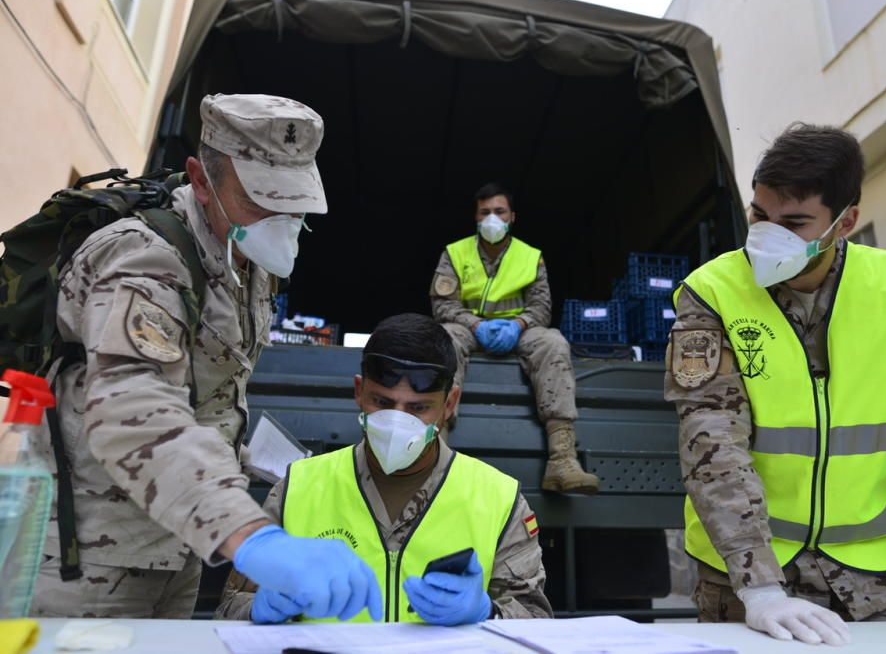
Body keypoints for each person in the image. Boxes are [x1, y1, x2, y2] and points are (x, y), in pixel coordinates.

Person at [32, 93, 382, 622]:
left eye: (294, 200)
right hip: (90, 556)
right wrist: (253, 538)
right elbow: (132, 409)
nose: (283, 218)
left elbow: (210, 398)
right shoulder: (143, 257)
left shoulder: (245, 261)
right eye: (263, 199)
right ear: (201, 180)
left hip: (182, 541)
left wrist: (263, 466)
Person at [664, 123, 886, 643]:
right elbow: (712, 443)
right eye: (759, 216)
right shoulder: (710, 293)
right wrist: (757, 586)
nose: (767, 237)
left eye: (794, 223)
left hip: (878, 571)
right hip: (746, 575)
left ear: (845, 222)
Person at [215, 313, 552, 623]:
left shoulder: (498, 497)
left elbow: (536, 618)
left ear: (449, 404)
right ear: (359, 392)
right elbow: (230, 608)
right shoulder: (298, 487)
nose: (397, 421)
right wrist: (258, 610)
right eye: (383, 402)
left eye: (418, 407)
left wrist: (486, 612)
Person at [430, 183, 599, 494]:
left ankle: (562, 460)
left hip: (517, 331)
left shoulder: (530, 256)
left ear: (512, 216)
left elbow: (542, 307)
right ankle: (434, 451)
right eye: (485, 213)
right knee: (442, 337)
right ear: (475, 217)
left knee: (553, 342)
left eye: (499, 211)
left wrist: (518, 325)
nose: (492, 218)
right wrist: (476, 325)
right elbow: (443, 305)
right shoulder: (454, 253)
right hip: (469, 329)